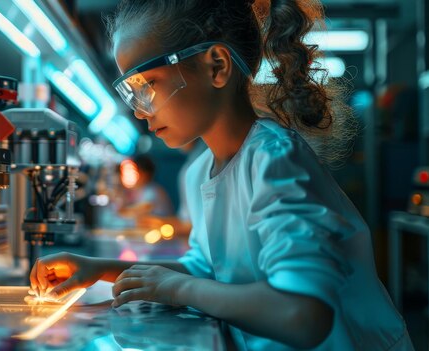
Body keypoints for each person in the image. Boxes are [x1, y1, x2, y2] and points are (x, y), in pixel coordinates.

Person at [30, 1, 413, 350]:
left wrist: (181, 288)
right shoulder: (201, 169)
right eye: (131, 93)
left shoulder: (273, 158)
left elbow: (304, 315)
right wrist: (99, 269)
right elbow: (204, 269)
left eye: (146, 86)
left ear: (216, 66)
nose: (139, 111)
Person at [117, 154, 174, 219]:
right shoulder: (136, 191)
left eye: (134, 171)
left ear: (145, 174)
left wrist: (119, 208)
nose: (128, 175)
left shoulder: (153, 191)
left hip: (162, 227)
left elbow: (141, 209)